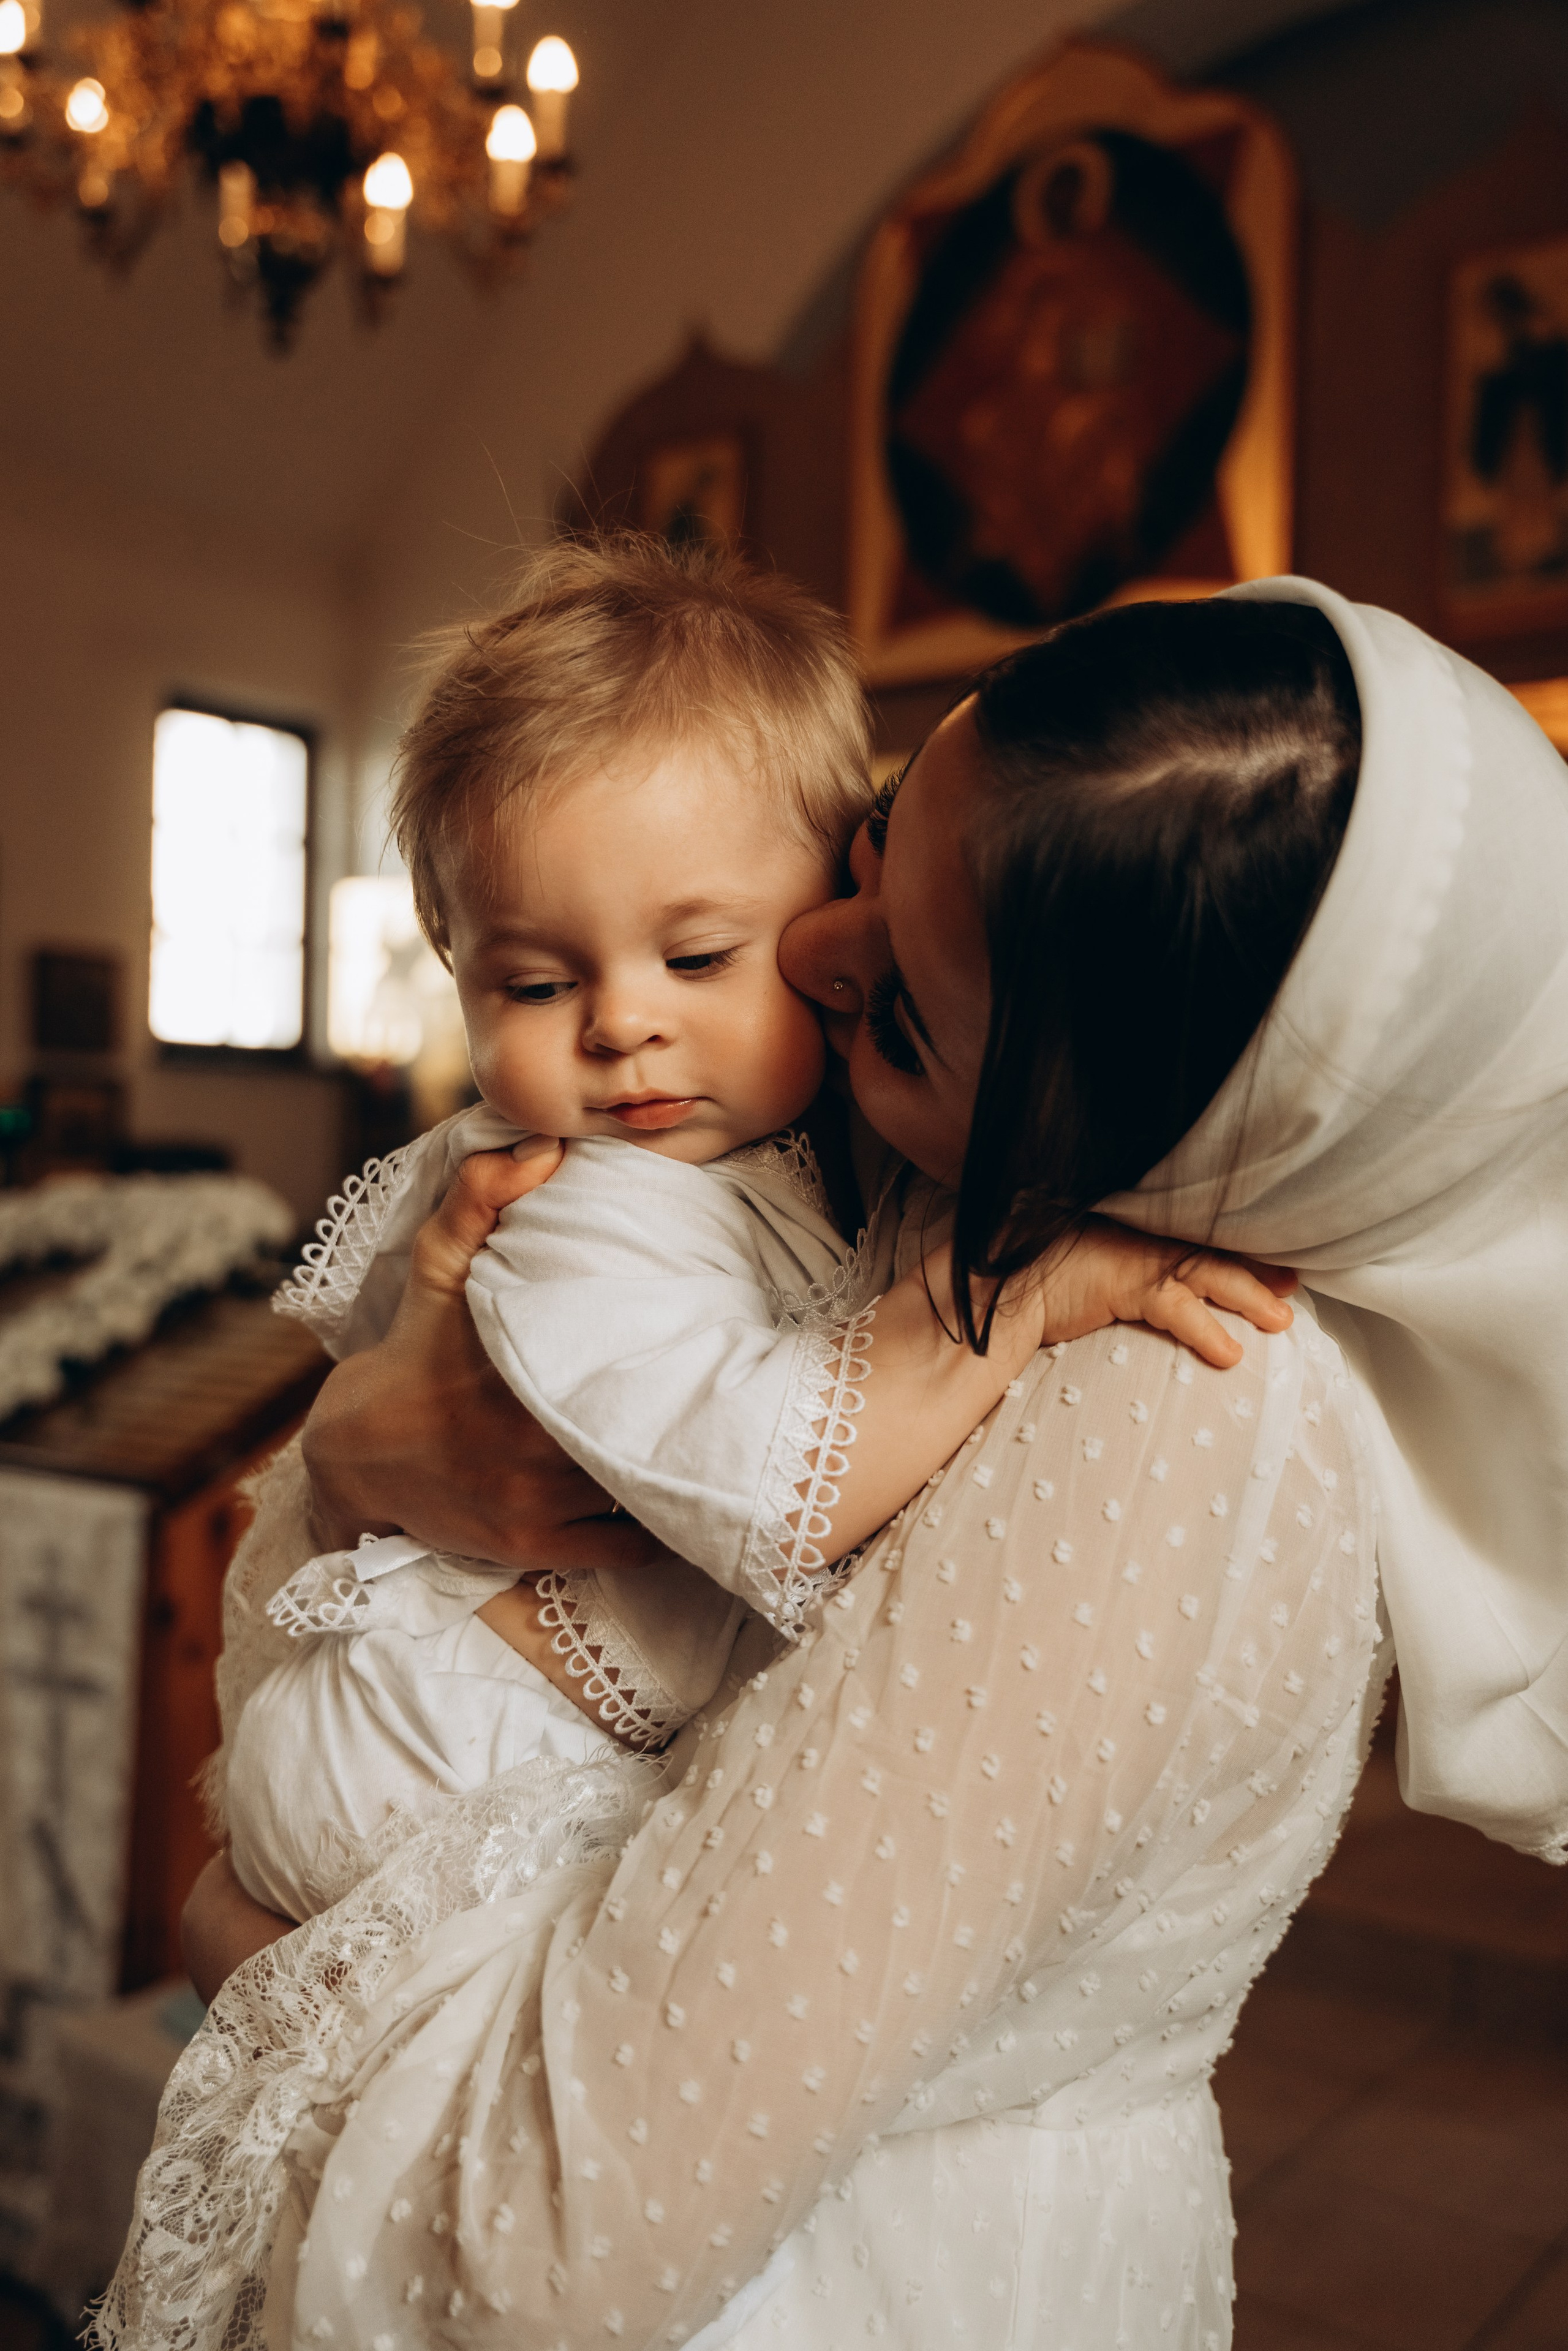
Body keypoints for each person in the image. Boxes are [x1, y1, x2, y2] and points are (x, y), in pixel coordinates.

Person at [118, 576, 1568, 2351]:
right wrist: (357, 1447)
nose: (817, 948)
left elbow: (541, 2243)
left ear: (1126, 1117)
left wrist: (236, 1947)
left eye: (901, 1020)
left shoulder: (1162, 1389)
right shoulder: (864, 1197)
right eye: (871, 844)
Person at [220, 536, 1281, 1926]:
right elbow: (777, 1478)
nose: (619, 1024)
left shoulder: (792, 1146)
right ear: (454, 964)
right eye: (536, 981)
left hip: (523, 1746)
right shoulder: (571, 1199)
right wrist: (1022, 1297)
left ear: (828, 897)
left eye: (699, 957)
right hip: (430, 1770)